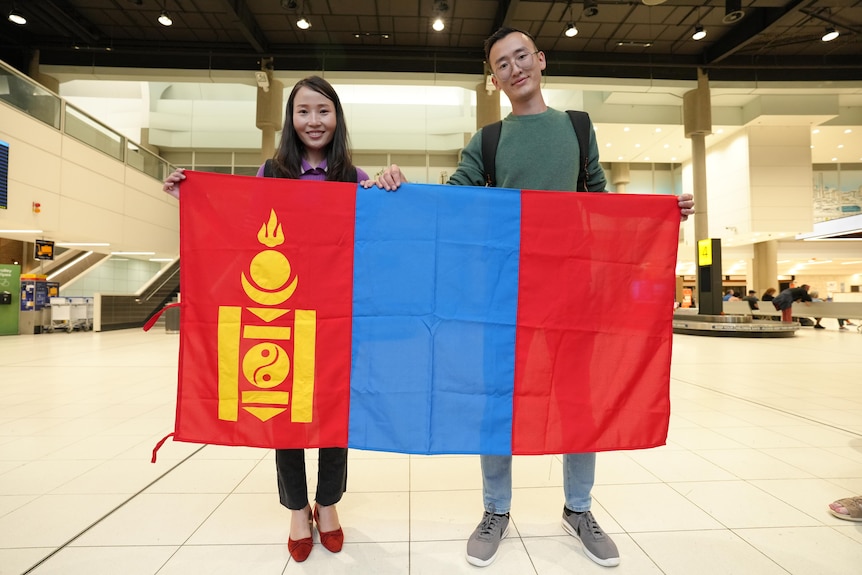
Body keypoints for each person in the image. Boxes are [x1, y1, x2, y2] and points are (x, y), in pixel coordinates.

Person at [365, 27, 694, 569]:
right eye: (502, 64)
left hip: (571, 296)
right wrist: (399, 186)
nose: (514, 68)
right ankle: (497, 509)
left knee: (576, 401)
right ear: (493, 79)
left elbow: (600, 202)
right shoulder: (488, 141)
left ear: (540, 61)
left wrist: (656, 216)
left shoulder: (577, 127)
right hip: (503, 296)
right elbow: (453, 203)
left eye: (522, 57)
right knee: (497, 401)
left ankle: (579, 508)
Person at [164, 75, 369, 563]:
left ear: (336, 116)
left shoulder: (353, 177)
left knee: (333, 413)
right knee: (286, 412)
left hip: (339, 319)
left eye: (323, 110)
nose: (313, 121)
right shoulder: (271, 172)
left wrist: (391, 184)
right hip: (282, 315)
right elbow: (239, 230)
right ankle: (298, 509)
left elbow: (381, 240)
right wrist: (192, 199)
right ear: (290, 119)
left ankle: (329, 502)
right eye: (303, 111)